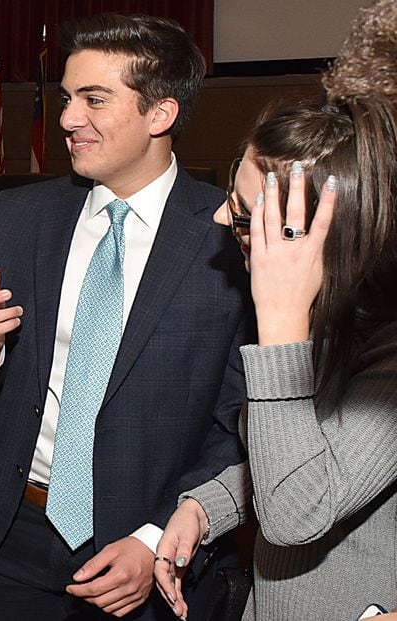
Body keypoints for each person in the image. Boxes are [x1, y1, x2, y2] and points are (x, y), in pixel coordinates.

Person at [0, 13, 253, 620]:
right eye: (67, 98)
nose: (66, 119)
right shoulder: (18, 216)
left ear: (160, 114)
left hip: (149, 555)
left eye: (95, 100)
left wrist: (154, 537)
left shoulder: (229, 234)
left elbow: (242, 424)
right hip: (3, 540)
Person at [153, 73, 397, 621]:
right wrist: (206, 505)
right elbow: (295, 455)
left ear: (311, 231)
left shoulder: (382, 354)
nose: (221, 219)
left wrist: (281, 318)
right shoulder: (330, 322)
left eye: (242, 211)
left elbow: (294, 511)